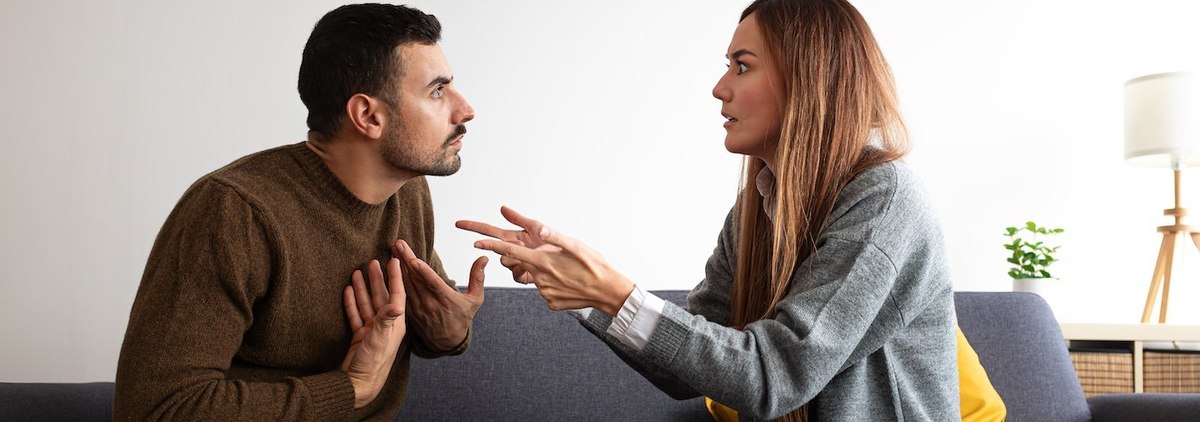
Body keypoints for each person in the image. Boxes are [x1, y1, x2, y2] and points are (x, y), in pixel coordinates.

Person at [457, 0, 961, 420]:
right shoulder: (758, 208)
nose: (720, 88)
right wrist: (585, 292)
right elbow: (687, 371)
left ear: (809, 76)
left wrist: (615, 293)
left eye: (742, 66)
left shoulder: (884, 200)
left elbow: (775, 376)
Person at [113, 4, 486, 420]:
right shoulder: (234, 213)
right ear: (367, 116)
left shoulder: (408, 190)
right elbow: (154, 411)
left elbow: (410, 324)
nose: (465, 109)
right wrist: (349, 389)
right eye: (437, 91)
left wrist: (447, 334)